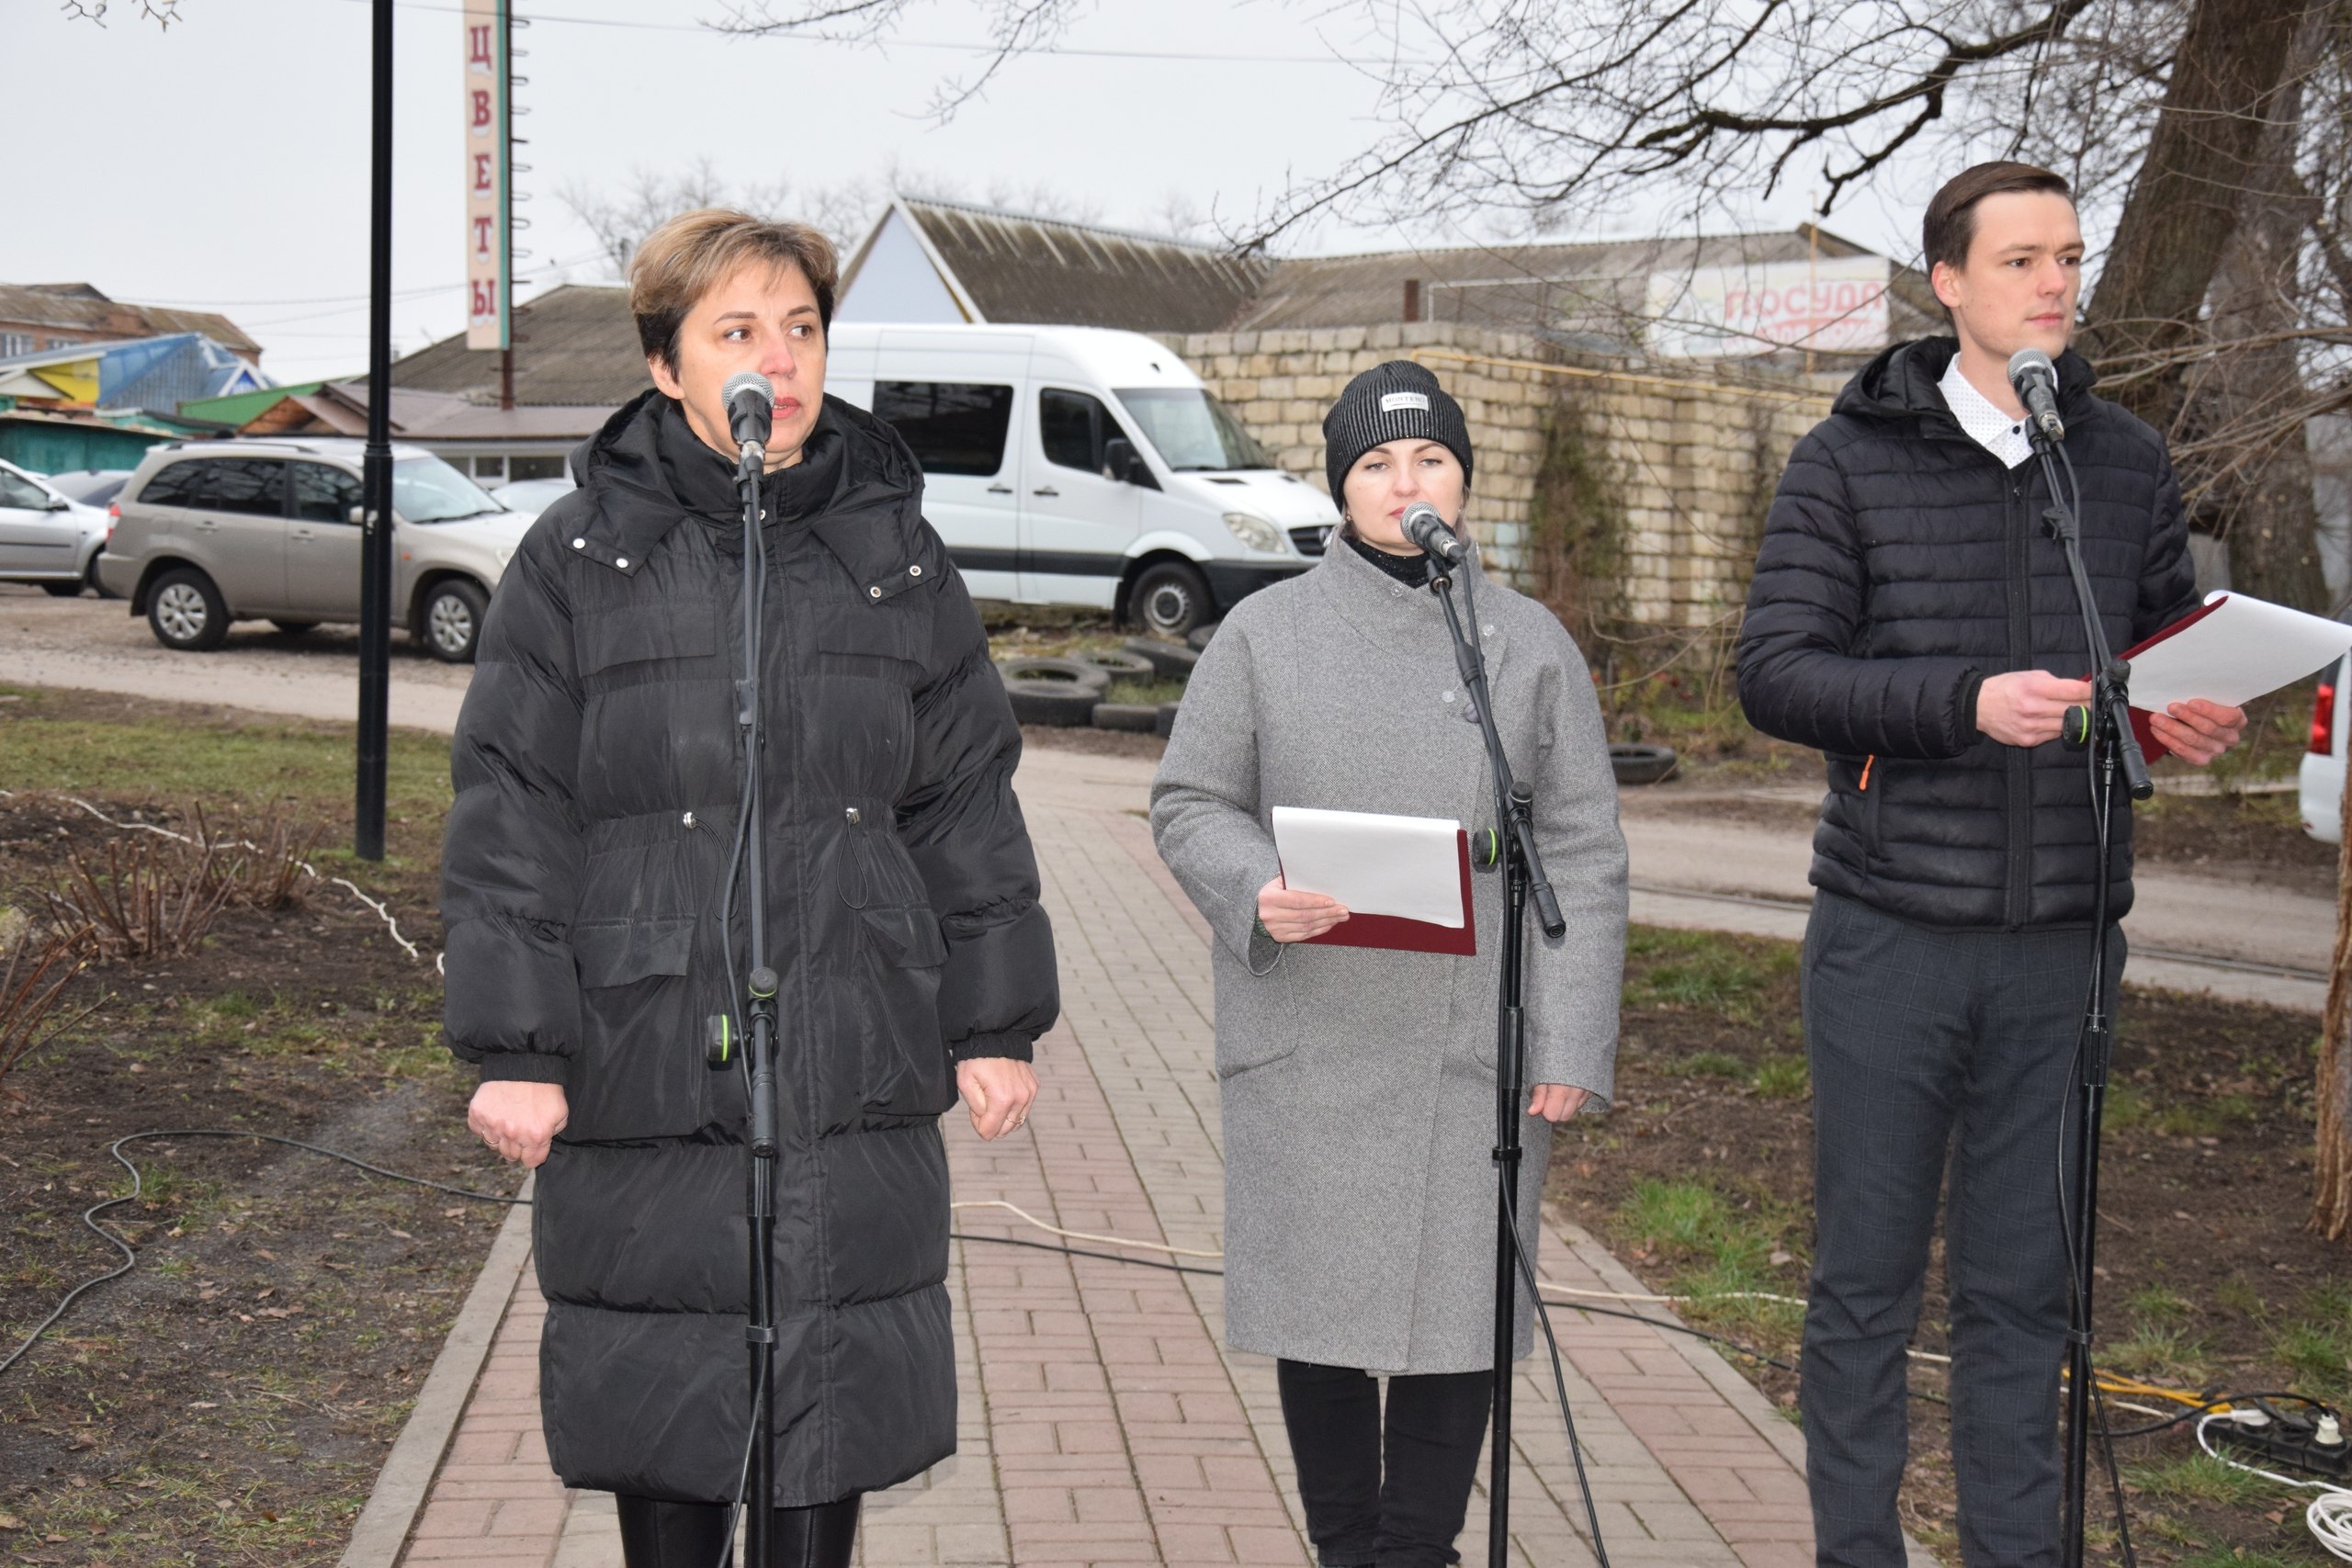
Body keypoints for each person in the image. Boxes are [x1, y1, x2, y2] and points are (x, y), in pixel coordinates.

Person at [441, 209, 1058, 1568]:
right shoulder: (578, 559)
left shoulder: (894, 554)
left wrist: (995, 1021)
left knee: (824, 1415)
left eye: (801, 330)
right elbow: (510, 810)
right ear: (667, 366)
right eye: (737, 332)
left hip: (851, 1049)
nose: (777, 361)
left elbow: (964, 794)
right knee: (669, 1417)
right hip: (645, 1048)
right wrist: (517, 1046)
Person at [1736, 163, 2247, 1568]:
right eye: (2023, 259)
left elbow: (2145, 650)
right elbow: (1776, 675)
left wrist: (2178, 708)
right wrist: (1959, 700)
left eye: (2070, 258)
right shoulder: (1849, 458)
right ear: (1948, 282)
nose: (2056, 284)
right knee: (1867, 1287)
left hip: (2066, 946)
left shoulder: (2127, 458)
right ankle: (1862, 1552)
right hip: (1893, 938)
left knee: (2028, 1295)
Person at [1150, 361, 1628, 1568]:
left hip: (1471, 1045)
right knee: (1321, 1313)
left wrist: (1571, 1039)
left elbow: (1584, 845)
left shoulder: (1524, 645)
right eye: (1376, 465)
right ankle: (1345, 1549)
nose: (1404, 483)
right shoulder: (1263, 634)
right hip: (1313, 1028)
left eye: (1429, 461)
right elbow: (1189, 800)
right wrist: (1254, 887)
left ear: (1462, 479)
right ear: (1341, 489)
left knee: (1458, 1314)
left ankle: (1413, 1552)